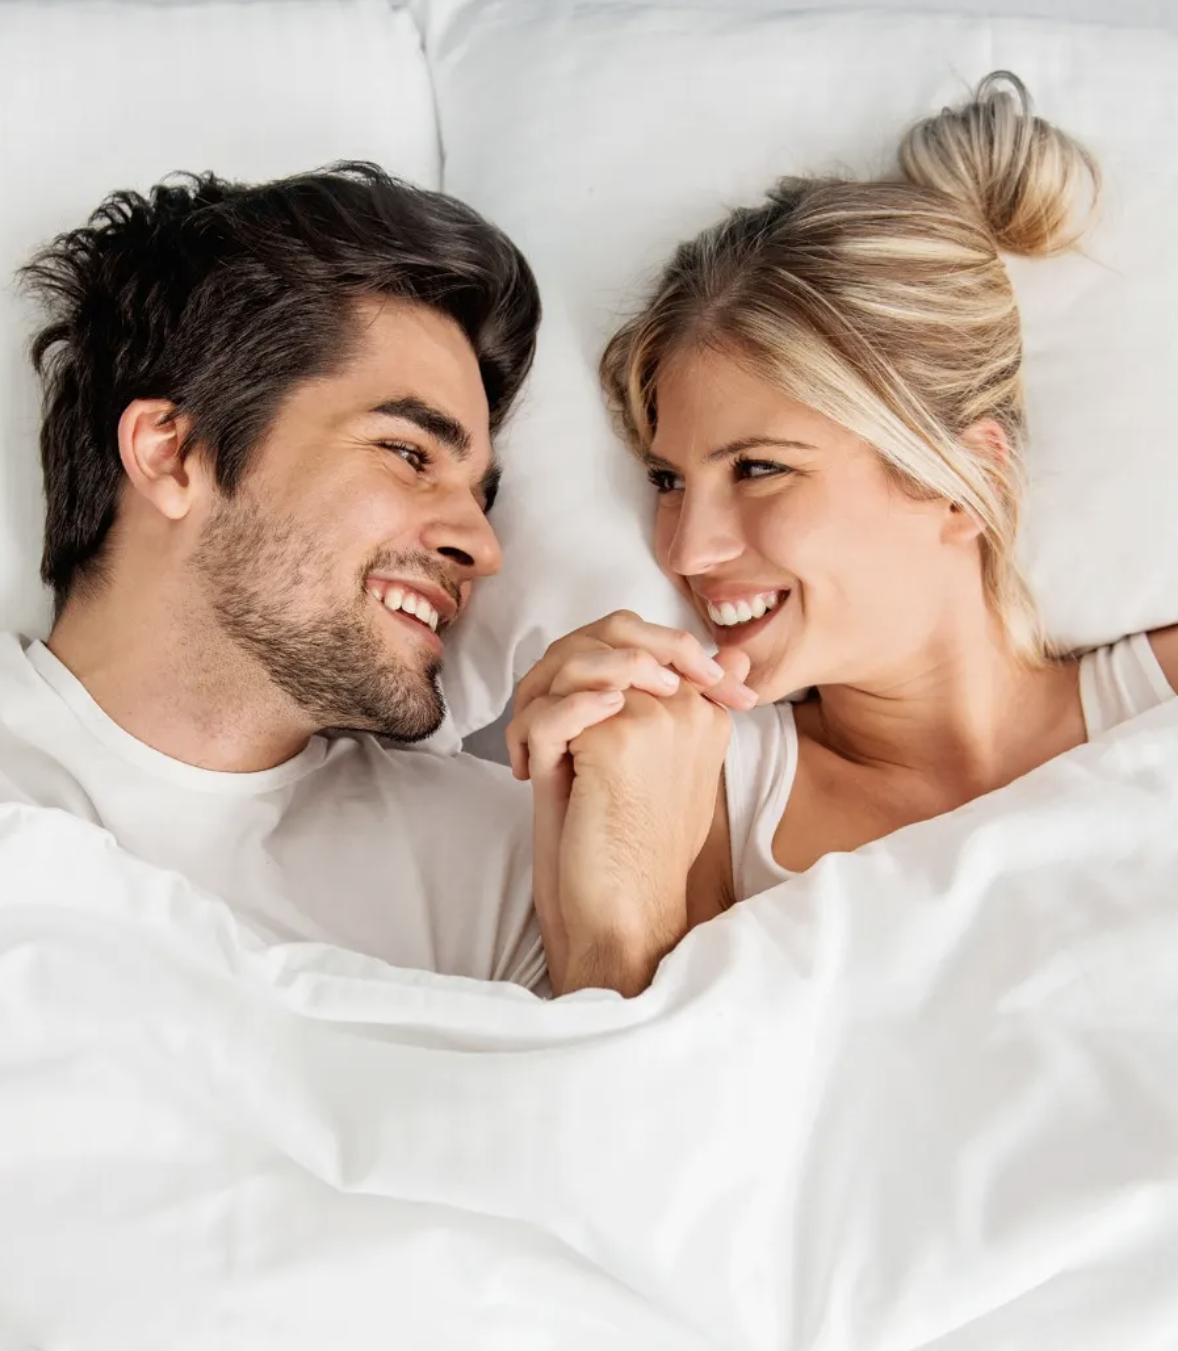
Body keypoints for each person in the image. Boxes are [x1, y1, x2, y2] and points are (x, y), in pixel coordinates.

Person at [2, 162, 753, 992]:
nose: (483, 547)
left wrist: (622, 934)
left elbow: (641, 1077)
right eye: (408, 454)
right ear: (173, 454)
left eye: (482, 497)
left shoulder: (511, 866)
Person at [510, 72, 1178, 993]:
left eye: (758, 468)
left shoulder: (1155, 709)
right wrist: (612, 904)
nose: (687, 551)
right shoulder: (698, 801)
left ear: (963, 481)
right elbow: (623, 1073)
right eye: (668, 481)